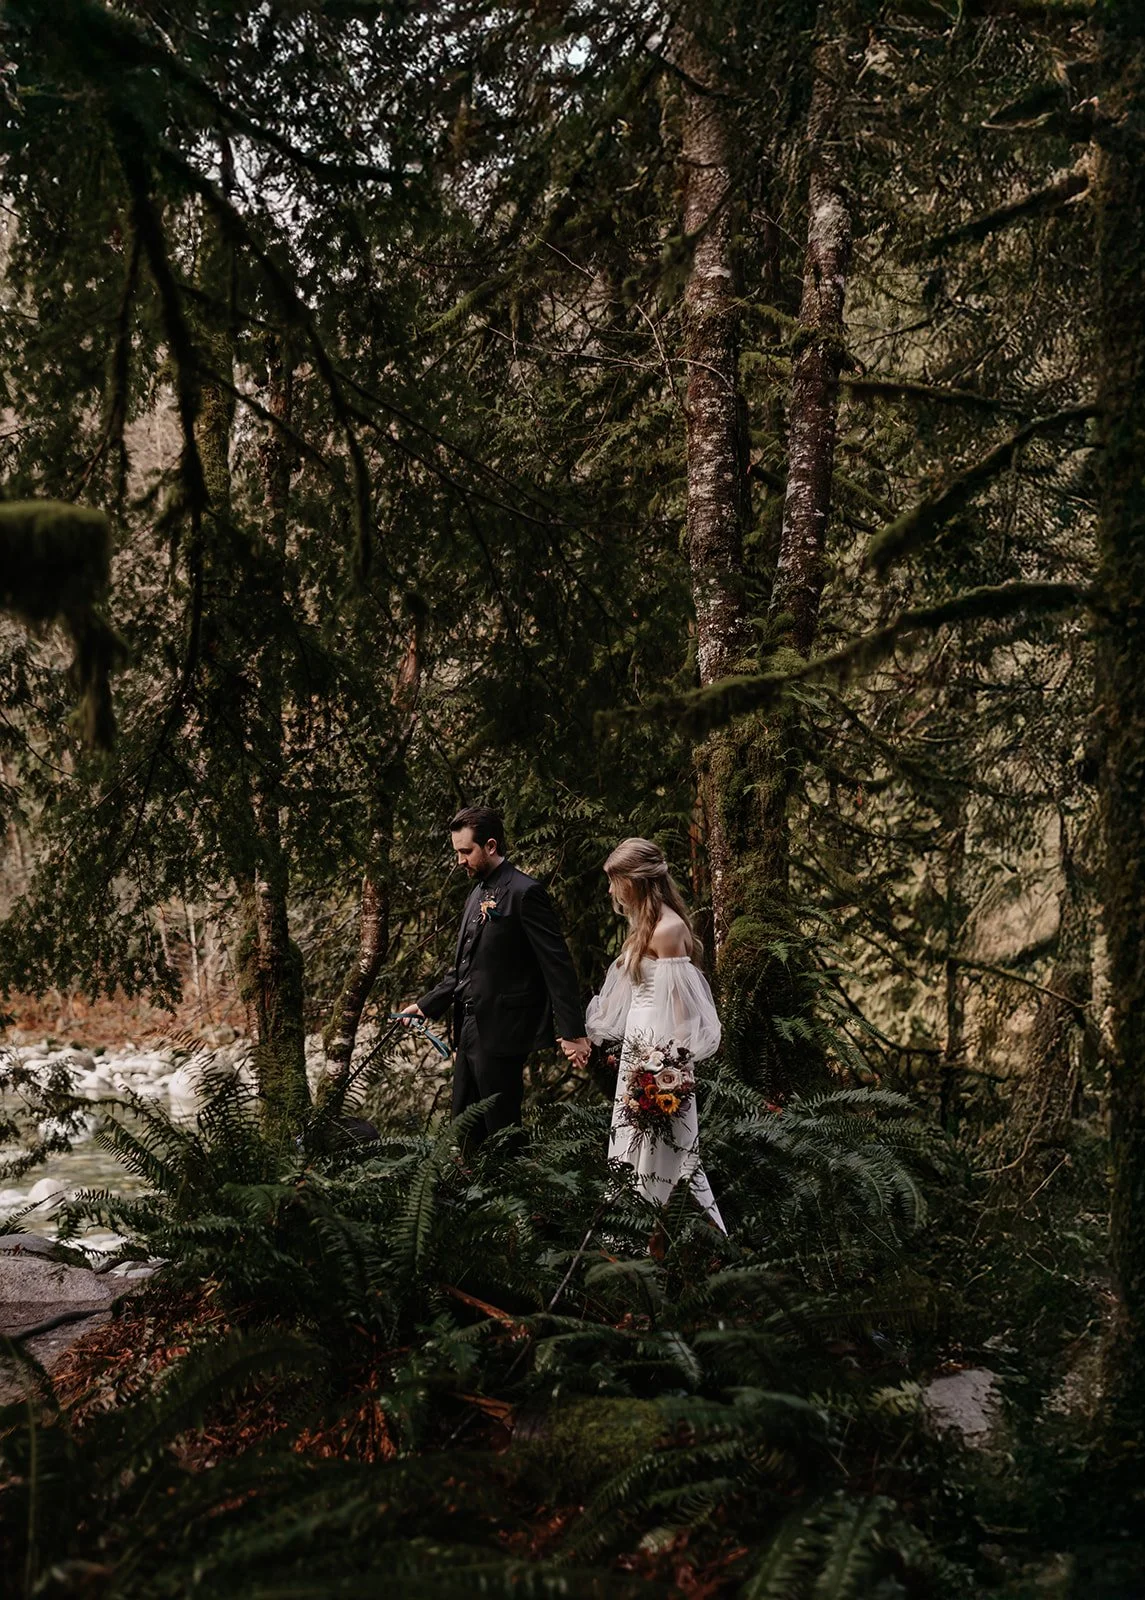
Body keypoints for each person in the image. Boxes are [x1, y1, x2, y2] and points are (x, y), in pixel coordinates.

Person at [400, 806, 589, 1148]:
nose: (460, 861)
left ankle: (512, 1196)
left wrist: (573, 1032)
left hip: (504, 1031)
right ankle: (474, 1197)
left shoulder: (525, 892)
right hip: (469, 1029)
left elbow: (557, 965)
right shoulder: (476, 893)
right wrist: (427, 1005)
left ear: (490, 845)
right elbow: (465, 967)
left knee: (501, 1130)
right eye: (457, 852)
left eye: (465, 852)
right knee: (464, 1124)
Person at [585, 837, 725, 1232]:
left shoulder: (668, 929)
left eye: (616, 881)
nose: (612, 891)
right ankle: (630, 1229)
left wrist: (670, 1072)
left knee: (662, 1144)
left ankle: (671, 1231)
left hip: (659, 1057)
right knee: (631, 1140)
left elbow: (682, 1011)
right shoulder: (643, 925)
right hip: (638, 1047)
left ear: (636, 880)